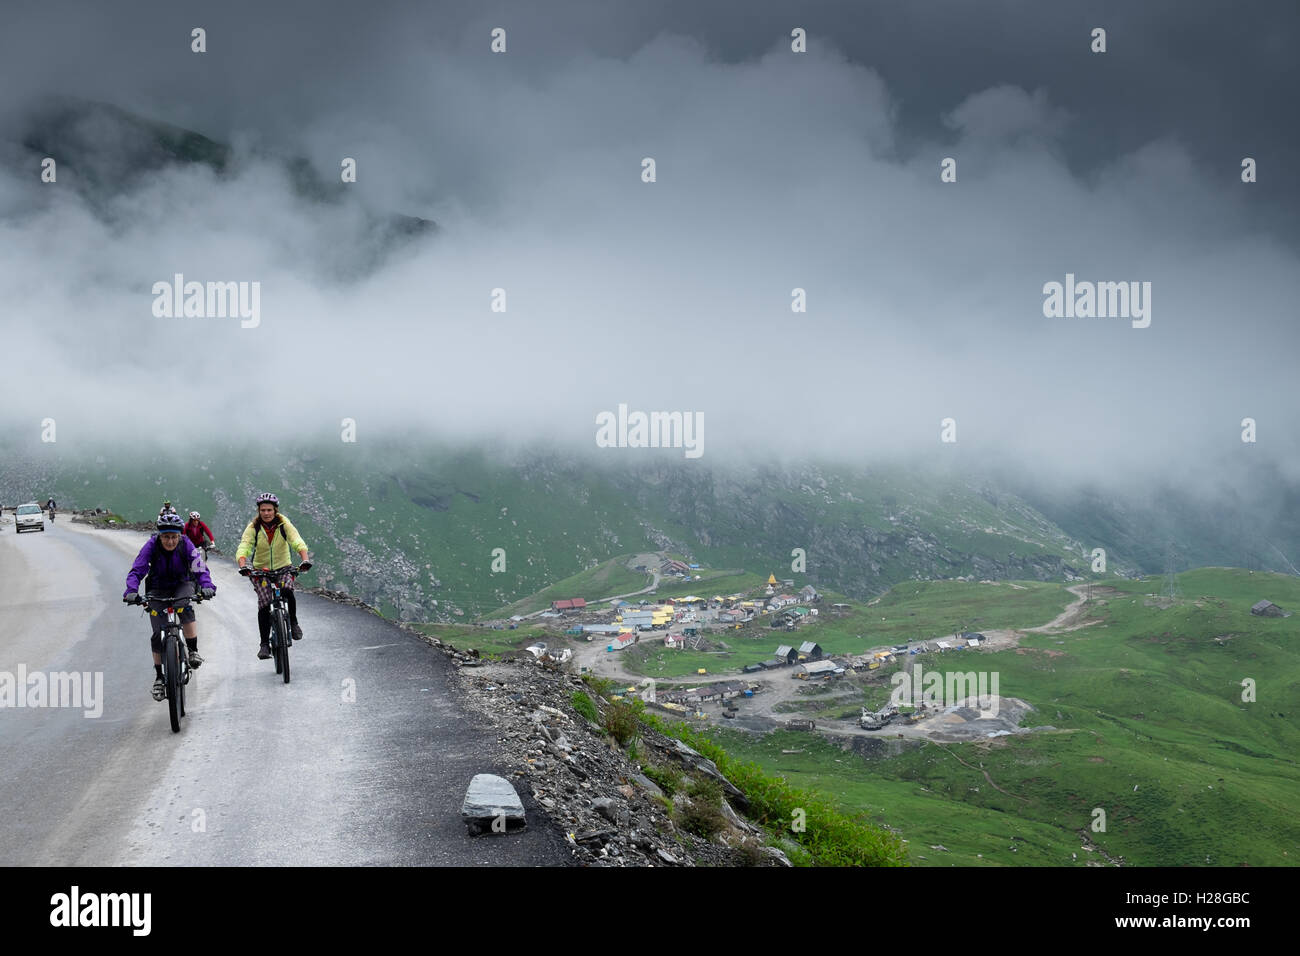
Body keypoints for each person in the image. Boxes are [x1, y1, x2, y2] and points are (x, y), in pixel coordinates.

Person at [123, 512, 216, 701]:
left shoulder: (185, 543)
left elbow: (199, 567)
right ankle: (159, 677)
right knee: (157, 634)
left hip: (182, 584)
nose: (170, 541)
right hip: (157, 588)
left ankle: (193, 651)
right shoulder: (152, 545)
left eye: (174, 537)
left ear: (179, 535)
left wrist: (207, 586)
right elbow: (138, 569)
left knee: (186, 607)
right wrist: (131, 591)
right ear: (160, 535)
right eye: (166, 537)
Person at [235, 492, 311, 660]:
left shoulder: (284, 524)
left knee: (287, 590)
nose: (266, 513)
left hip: (283, 567)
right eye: (263, 510)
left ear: (275, 510)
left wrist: (304, 560)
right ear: (258, 511)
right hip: (260, 571)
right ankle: (264, 645)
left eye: (269, 510)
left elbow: (296, 540)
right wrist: (243, 565)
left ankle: (293, 622)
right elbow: (245, 546)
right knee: (264, 603)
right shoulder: (253, 527)